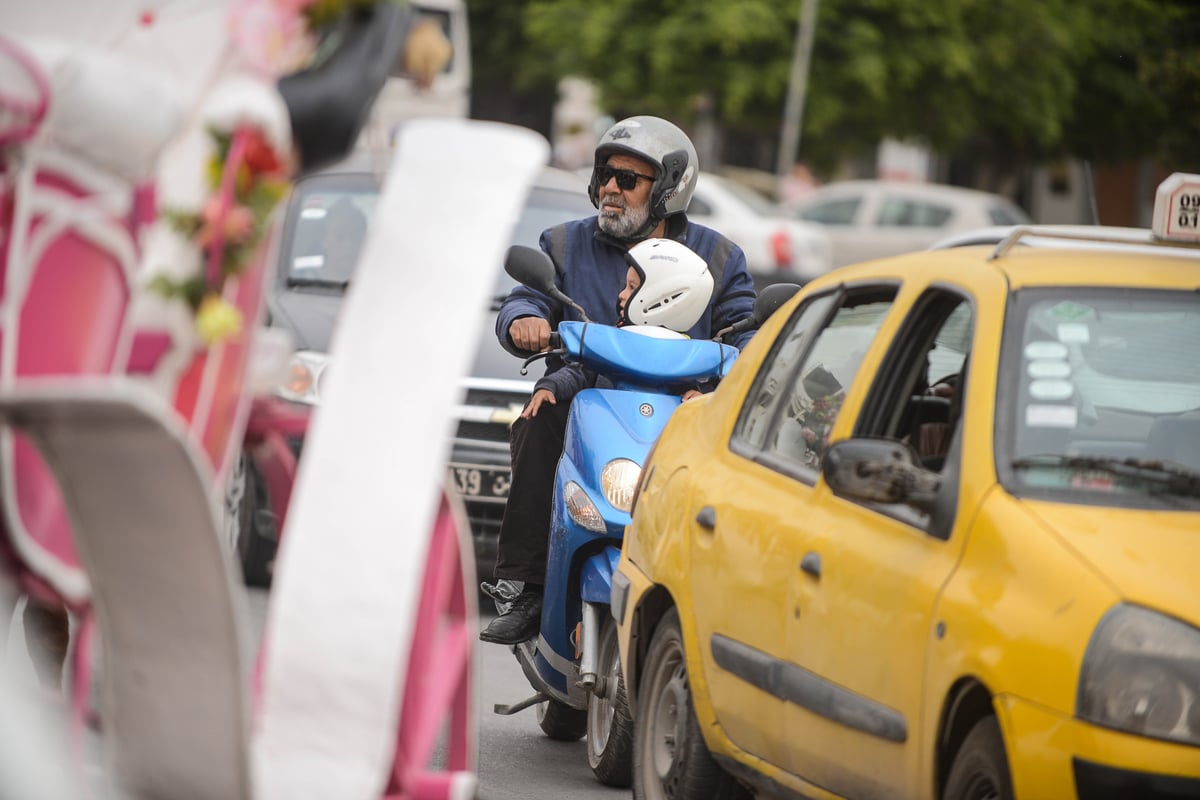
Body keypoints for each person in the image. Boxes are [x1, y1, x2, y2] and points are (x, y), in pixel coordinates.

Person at [480, 114, 759, 645]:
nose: (610, 187)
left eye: (628, 179)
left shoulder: (720, 257)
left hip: (680, 413)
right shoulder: (563, 243)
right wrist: (524, 322)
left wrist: (732, 378)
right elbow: (526, 297)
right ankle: (529, 585)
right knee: (538, 422)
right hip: (584, 401)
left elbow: (744, 325)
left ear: (667, 191)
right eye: (605, 173)